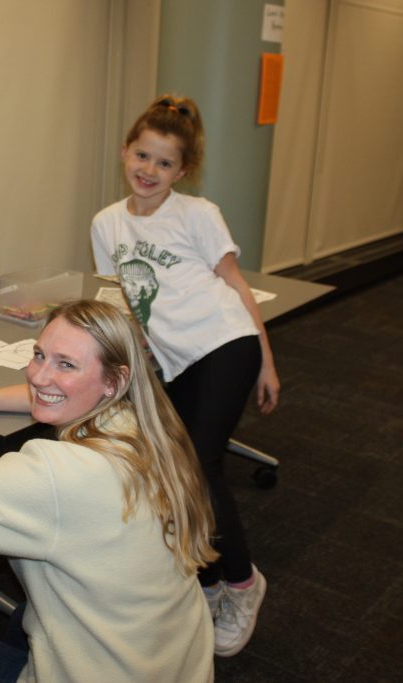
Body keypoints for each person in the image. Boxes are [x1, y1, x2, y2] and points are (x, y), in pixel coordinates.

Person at [0, 300, 216, 682]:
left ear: (114, 380)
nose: (39, 376)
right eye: (38, 355)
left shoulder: (61, 473)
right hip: (169, 661)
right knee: (24, 616)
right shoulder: (147, 426)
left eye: (66, 364)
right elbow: (53, 392)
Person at [90, 93, 280, 657]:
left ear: (183, 170)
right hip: (172, 360)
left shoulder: (198, 213)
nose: (149, 171)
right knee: (173, 467)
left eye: (165, 163)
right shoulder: (107, 223)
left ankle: (243, 584)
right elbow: (123, 297)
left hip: (227, 343)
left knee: (200, 467)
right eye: (142, 156)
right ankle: (207, 578)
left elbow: (237, 285)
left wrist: (266, 358)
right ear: (125, 152)